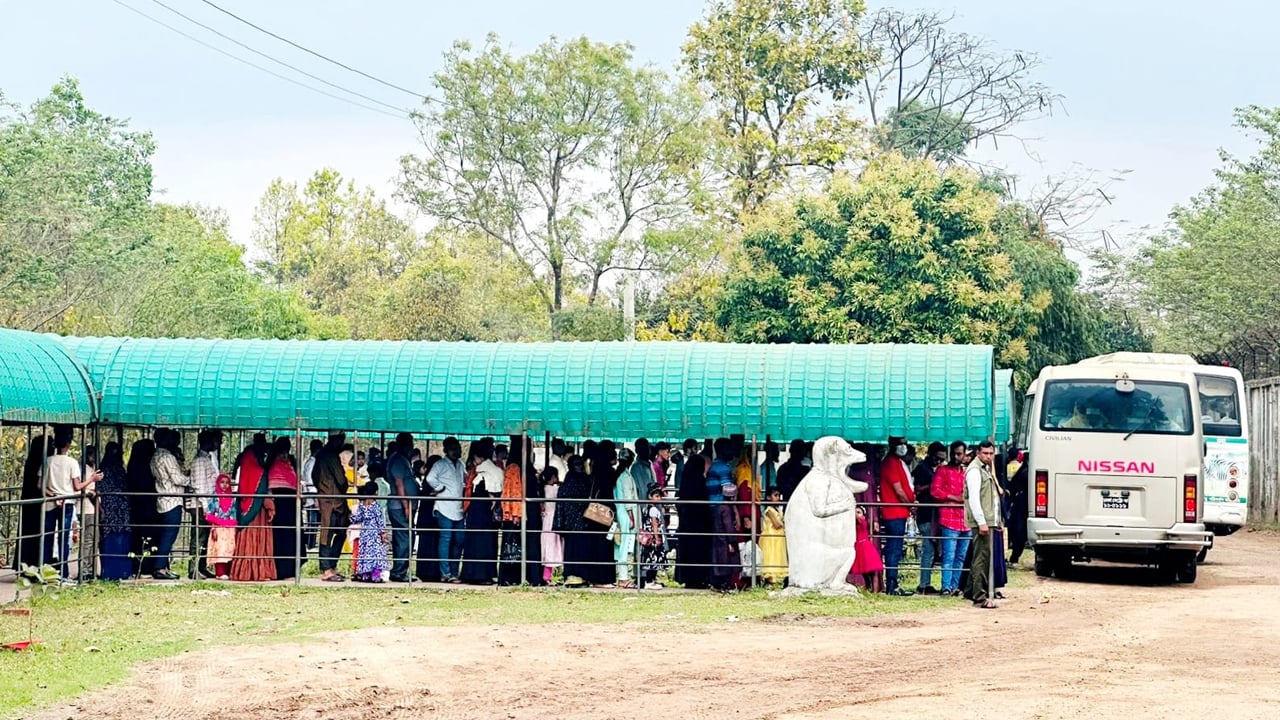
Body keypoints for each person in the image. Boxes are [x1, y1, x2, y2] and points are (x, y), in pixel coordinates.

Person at [230, 439, 276, 582]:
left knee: (247, 539)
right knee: (258, 538)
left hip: (244, 505)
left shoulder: (244, 465)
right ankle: (259, 572)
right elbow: (262, 491)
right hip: (258, 511)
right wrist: (270, 505)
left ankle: (245, 571)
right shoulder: (259, 471)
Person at [965, 440, 1001, 609]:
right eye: (985, 453)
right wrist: (981, 522)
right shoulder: (974, 470)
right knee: (981, 559)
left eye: (991, 453)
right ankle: (979, 597)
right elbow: (974, 499)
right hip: (982, 521)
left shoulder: (985, 469)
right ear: (978, 453)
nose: (988, 456)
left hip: (988, 520)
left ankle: (970, 590)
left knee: (981, 557)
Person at [878, 436, 916, 596]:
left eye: (905, 443)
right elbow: (898, 490)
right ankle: (892, 584)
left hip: (899, 511)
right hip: (894, 511)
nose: (904, 446)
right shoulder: (891, 463)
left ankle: (893, 583)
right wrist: (911, 505)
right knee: (894, 548)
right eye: (901, 443)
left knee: (896, 547)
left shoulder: (897, 462)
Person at [932, 441, 971, 597]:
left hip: (965, 520)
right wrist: (953, 497)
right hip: (949, 518)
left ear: (964, 454)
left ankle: (954, 586)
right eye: (954, 454)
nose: (956, 457)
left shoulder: (967, 472)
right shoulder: (942, 470)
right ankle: (946, 587)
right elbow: (935, 491)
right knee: (949, 555)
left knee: (960, 556)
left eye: (959, 454)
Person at [460, 438, 501, 584]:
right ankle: (485, 573)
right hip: (484, 513)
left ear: (480, 457)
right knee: (487, 542)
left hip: (479, 512)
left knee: (476, 542)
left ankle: (475, 574)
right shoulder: (495, 471)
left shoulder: (482, 471)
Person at [149, 429, 188, 581]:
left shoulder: (155, 456)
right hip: (173, 500)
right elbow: (177, 479)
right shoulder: (168, 457)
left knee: (165, 535)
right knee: (169, 536)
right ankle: (160, 568)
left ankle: (163, 567)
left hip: (162, 499)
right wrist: (190, 479)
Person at [425, 438, 465, 583]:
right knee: (446, 539)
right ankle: (445, 573)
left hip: (458, 508)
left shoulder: (460, 464)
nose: (456, 451)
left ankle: (454, 571)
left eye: (458, 448)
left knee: (459, 540)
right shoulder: (440, 464)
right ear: (446, 450)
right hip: (444, 506)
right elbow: (430, 478)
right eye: (453, 449)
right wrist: (439, 488)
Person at [312, 433, 350, 583]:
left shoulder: (321, 455)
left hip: (327, 498)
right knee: (329, 533)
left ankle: (329, 566)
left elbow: (314, 476)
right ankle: (327, 568)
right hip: (333, 501)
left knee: (333, 533)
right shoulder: (331, 455)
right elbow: (341, 480)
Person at [674, 446, 711, 589]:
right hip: (700, 524)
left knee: (688, 551)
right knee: (699, 551)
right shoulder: (700, 482)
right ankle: (699, 578)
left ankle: (689, 578)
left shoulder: (686, 482)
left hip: (686, 523)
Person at [187, 430, 221, 580]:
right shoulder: (201, 461)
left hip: (205, 504)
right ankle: (194, 569)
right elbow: (200, 487)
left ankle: (201, 567)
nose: (218, 444)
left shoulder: (206, 459)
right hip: (200, 504)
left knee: (204, 536)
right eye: (216, 441)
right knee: (198, 536)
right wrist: (206, 507)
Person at [913, 441, 947, 595]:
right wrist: (934, 484)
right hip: (926, 514)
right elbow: (917, 489)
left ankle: (926, 583)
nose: (939, 462)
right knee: (928, 550)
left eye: (942, 460)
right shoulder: (922, 468)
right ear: (930, 455)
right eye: (937, 458)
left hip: (935, 514)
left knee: (932, 550)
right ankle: (924, 584)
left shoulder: (937, 469)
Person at [96, 442, 132, 581]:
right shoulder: (116, 469)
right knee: (117, 537)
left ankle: (110, 571)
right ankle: (121, 570)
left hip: (112, 506)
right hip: (116, 506)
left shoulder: (104, 468)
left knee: (111, 537)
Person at [15, 435, 51, 575]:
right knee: (35, 534)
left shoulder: (32, 460)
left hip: (30, 501)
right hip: (35, 502)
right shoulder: (40, 462)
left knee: (29, 534)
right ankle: (33, 565)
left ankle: (27, 565)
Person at [385, 432, 419, 583]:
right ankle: (399, 572)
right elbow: (399, 484)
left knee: (406, 537)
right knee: (404, 537)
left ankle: (401, 570)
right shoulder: (398, 460)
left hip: (405, 505)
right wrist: (406, 506)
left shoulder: (404, 460)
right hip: (400, 506)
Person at [707, 438, 739, 591]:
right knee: (725, 545)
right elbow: (728, 490)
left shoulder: (713, 467)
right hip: (721, 507)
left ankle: (717, 579)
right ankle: (724, 580)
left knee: (717, 545)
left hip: (712, 507)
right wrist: (735, 511)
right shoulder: (724, 469)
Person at [266, 437, 300, 580]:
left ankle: (291, 570)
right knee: (279, 537)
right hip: (279, 503)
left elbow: (296, 481)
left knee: (291, 536)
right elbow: (269, 485)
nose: (284, 455)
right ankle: (279, 571)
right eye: (282, 452)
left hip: (291, 503)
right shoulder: (272, 464)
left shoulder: (291, 463)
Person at [125, 439, 157, 578]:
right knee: (149, 535)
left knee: (137, 536)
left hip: (135, 508)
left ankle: (136, 566)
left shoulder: (132, 467)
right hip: (148, 508)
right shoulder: (147, 468)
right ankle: (146, 568)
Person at [351, 482, 391, 582]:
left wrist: (351, 517)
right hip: (374, 533)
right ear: (376, 492)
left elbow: (358, 518)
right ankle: (375, 576)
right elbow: (379, 521)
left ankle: (365, 575)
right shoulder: (376, 506)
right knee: (376, 554)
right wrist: (383, 532)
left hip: (365, 532)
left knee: (365, 553)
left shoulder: (362, 505)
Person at [614, 447, 640, 589]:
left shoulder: (618, 475)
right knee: (624, 546)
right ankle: (623, 578)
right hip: (625, 514)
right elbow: (628, 498)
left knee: (620, 546)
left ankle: (621, 575)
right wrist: (632, 517)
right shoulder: (625, 477)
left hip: (620, 512)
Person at [76, 444, 103, 581]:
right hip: (87, 508)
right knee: (88, 540)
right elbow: (85, 490)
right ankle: (85, 570)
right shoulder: (83, 469)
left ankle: (90, 568)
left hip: (91, 508)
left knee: (93, 540)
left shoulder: (91, 468)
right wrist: (98, 507)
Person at [205, 473, 238, 580]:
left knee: (230, 549)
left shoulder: (232, 498)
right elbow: (209, 514)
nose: (225, 485)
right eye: (222, 482)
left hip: (229, 528)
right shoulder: (215, 497)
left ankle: (228, 572)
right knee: (219, 549)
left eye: (227, 483)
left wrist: (232, 524)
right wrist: (214, 526)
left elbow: (234, 513)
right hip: (218, 527)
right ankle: (220, 573)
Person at [849, 506, 884, 591]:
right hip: (859, 548)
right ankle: (868, 588)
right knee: (864, 573)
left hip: (866, 548)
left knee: (873, 571)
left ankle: (875, 591)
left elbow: (858, 519)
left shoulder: (863, 522)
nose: (856, 514)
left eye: (858, 512)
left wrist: (852, 512)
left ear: (863, 516)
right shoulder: (852, 524)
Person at [639, 483, 667, 588]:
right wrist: (657, 537)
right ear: (650, 496)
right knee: (654, 559)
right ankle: (649, 581)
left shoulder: (646, 508)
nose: (659, 498)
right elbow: (654, 524)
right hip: (653, 539)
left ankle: (650, 580)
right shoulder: (653, 510)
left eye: (660, 496)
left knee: (650, 558)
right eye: (656, 496)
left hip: (648, 539)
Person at [540, 465, 564, 584]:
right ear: (554, 477)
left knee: (548, 546)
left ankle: (547, 575)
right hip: (554, 519)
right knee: (556, 546)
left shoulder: (543, 489)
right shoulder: (554, 490)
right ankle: (556, 575)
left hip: (546, 520)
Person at [758, 487, 787, 585]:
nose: (778, 497)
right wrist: (783, 524)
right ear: (768, 497)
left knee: (778, 555)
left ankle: (778, 577)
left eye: (778, 495)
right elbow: (776, 524)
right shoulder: (769, 510)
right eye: (775, 495)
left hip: (778, 536)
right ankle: (770, 578)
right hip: (771, 536)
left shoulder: (778, 509)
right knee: (771, 555)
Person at [301, 438, 323, 550]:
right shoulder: (312, 463)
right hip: (312, 496)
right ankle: (310, 544)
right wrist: (316, 497)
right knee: (312, 522)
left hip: (312, 495)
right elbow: (310, 481)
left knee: (313, 522)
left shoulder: (310, 462)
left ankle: (310, 543)